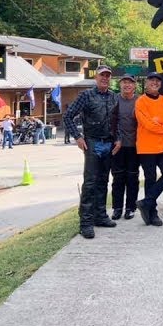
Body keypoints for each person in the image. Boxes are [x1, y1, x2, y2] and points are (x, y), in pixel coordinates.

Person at [63, 64, 118, 239]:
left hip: (109, 143)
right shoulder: (86, 95)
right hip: (92, 143)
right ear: (96, 77)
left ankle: (100, 216)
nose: (105, 78)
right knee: (90, 183)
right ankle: (85, 222)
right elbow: (68, 116)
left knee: (104, 181)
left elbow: (117, 121)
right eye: (102, 75)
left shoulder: (113, 97)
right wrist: (78, 137)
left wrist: (118, 139)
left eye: (108, 76)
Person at [135, 71, 163, 227]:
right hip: (146, 148)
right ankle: (152, 214)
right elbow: (147, 124)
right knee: (150, 179)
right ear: (146, 83)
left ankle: (146, 202)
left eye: (157, 81)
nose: (154, 83)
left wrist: (160, 121)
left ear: (160, 84)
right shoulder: (141, 102)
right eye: (151, 80)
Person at [110, 74, 140, 221]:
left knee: (132, 178)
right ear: (120, 84)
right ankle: (117, 208)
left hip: (135, 146)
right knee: (118, 178)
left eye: (130, 83)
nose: (127, 85)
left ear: (134, 86)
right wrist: (117, 138)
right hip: (117, 146)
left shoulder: (139, 100)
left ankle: (130, 208)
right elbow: (110, 122)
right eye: (124, 82)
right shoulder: (114, 99)